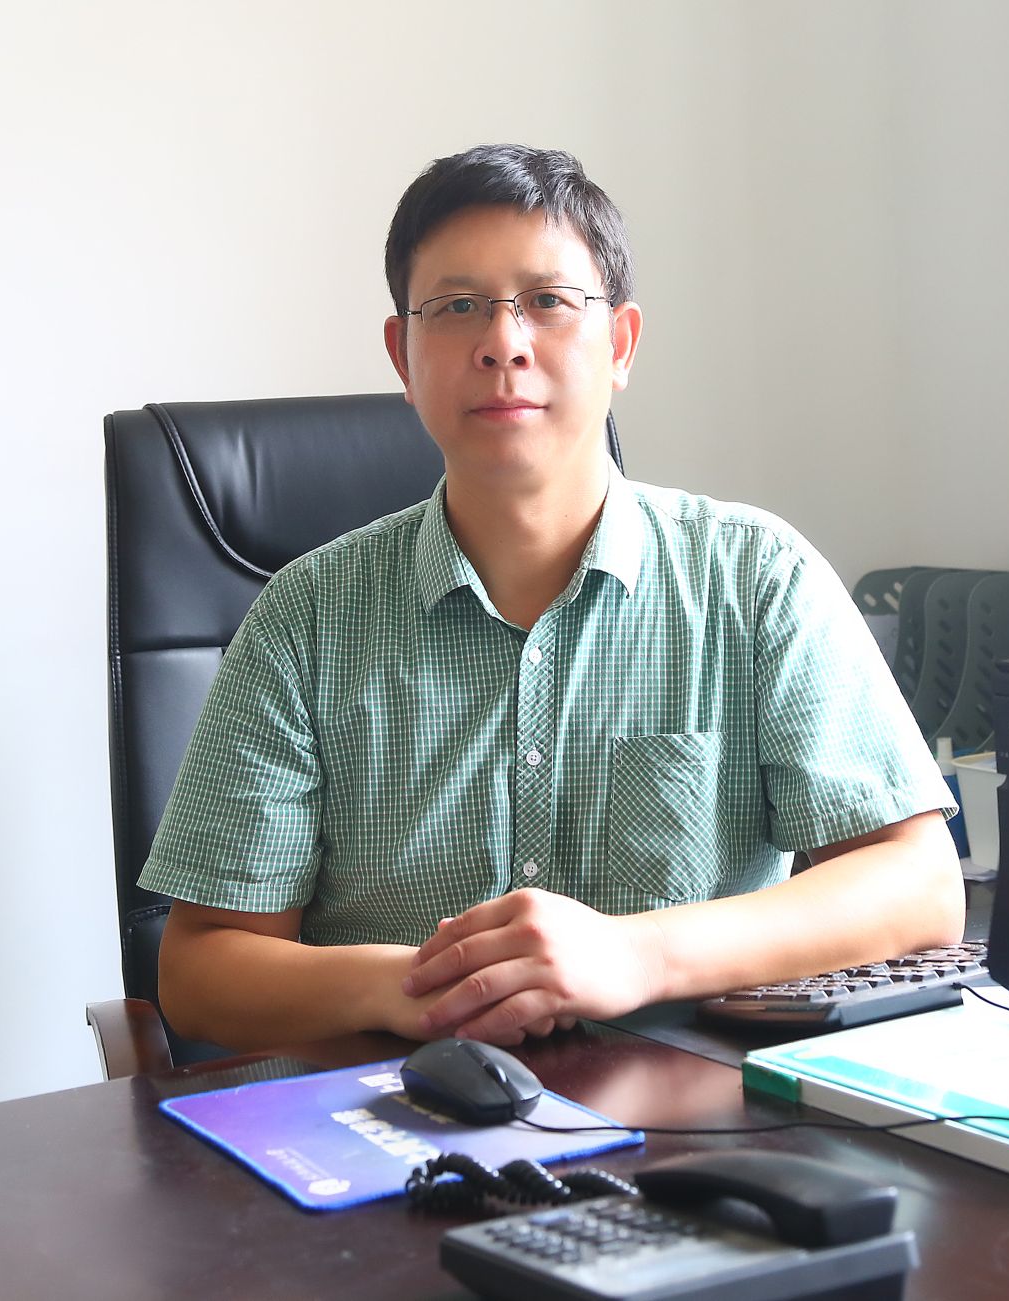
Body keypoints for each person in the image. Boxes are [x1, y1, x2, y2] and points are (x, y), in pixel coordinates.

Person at [139, 144, 962, 1051]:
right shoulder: (306, 618)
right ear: (403, 356)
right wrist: (419, 987)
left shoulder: (756, 578)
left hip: (692, 1115)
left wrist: (638, 954)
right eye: (456, 307)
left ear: (620, 345)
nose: (503, 342)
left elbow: (919, 884)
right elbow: (201, 968)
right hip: (398, 1107)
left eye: (548, 301)